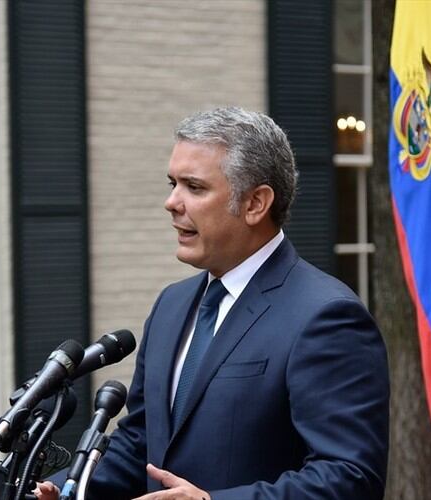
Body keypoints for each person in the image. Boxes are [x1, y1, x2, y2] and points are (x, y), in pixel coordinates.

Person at [37, 107, 389, 499]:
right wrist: (65, 488)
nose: (171, 202)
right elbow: (141, 443)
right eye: (172, 183)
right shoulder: (171, 306)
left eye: (194, 187)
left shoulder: (327, 316)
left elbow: (350, 478)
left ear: (256, 203)